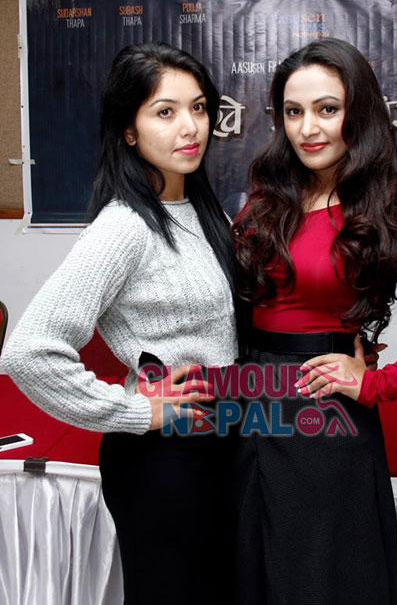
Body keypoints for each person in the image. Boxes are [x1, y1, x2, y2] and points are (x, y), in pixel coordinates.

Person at [232, 38, 397, 605]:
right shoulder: (263, 203)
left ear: (360, 113)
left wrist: (379, 383)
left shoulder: (384, 213)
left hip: (320, 415)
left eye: (327, 109)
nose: (308, 128)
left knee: (319, 581)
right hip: (247, 404)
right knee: (250, 573)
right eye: (294, 111)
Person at [2, 42, 242, 604]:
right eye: (165, 112)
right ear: (129, 131)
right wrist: (136, 410)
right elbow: (28, 351)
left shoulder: (203, 210)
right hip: (165, 460)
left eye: (199, 107)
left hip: (221, 441)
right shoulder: (124, 226)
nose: (190, 126)